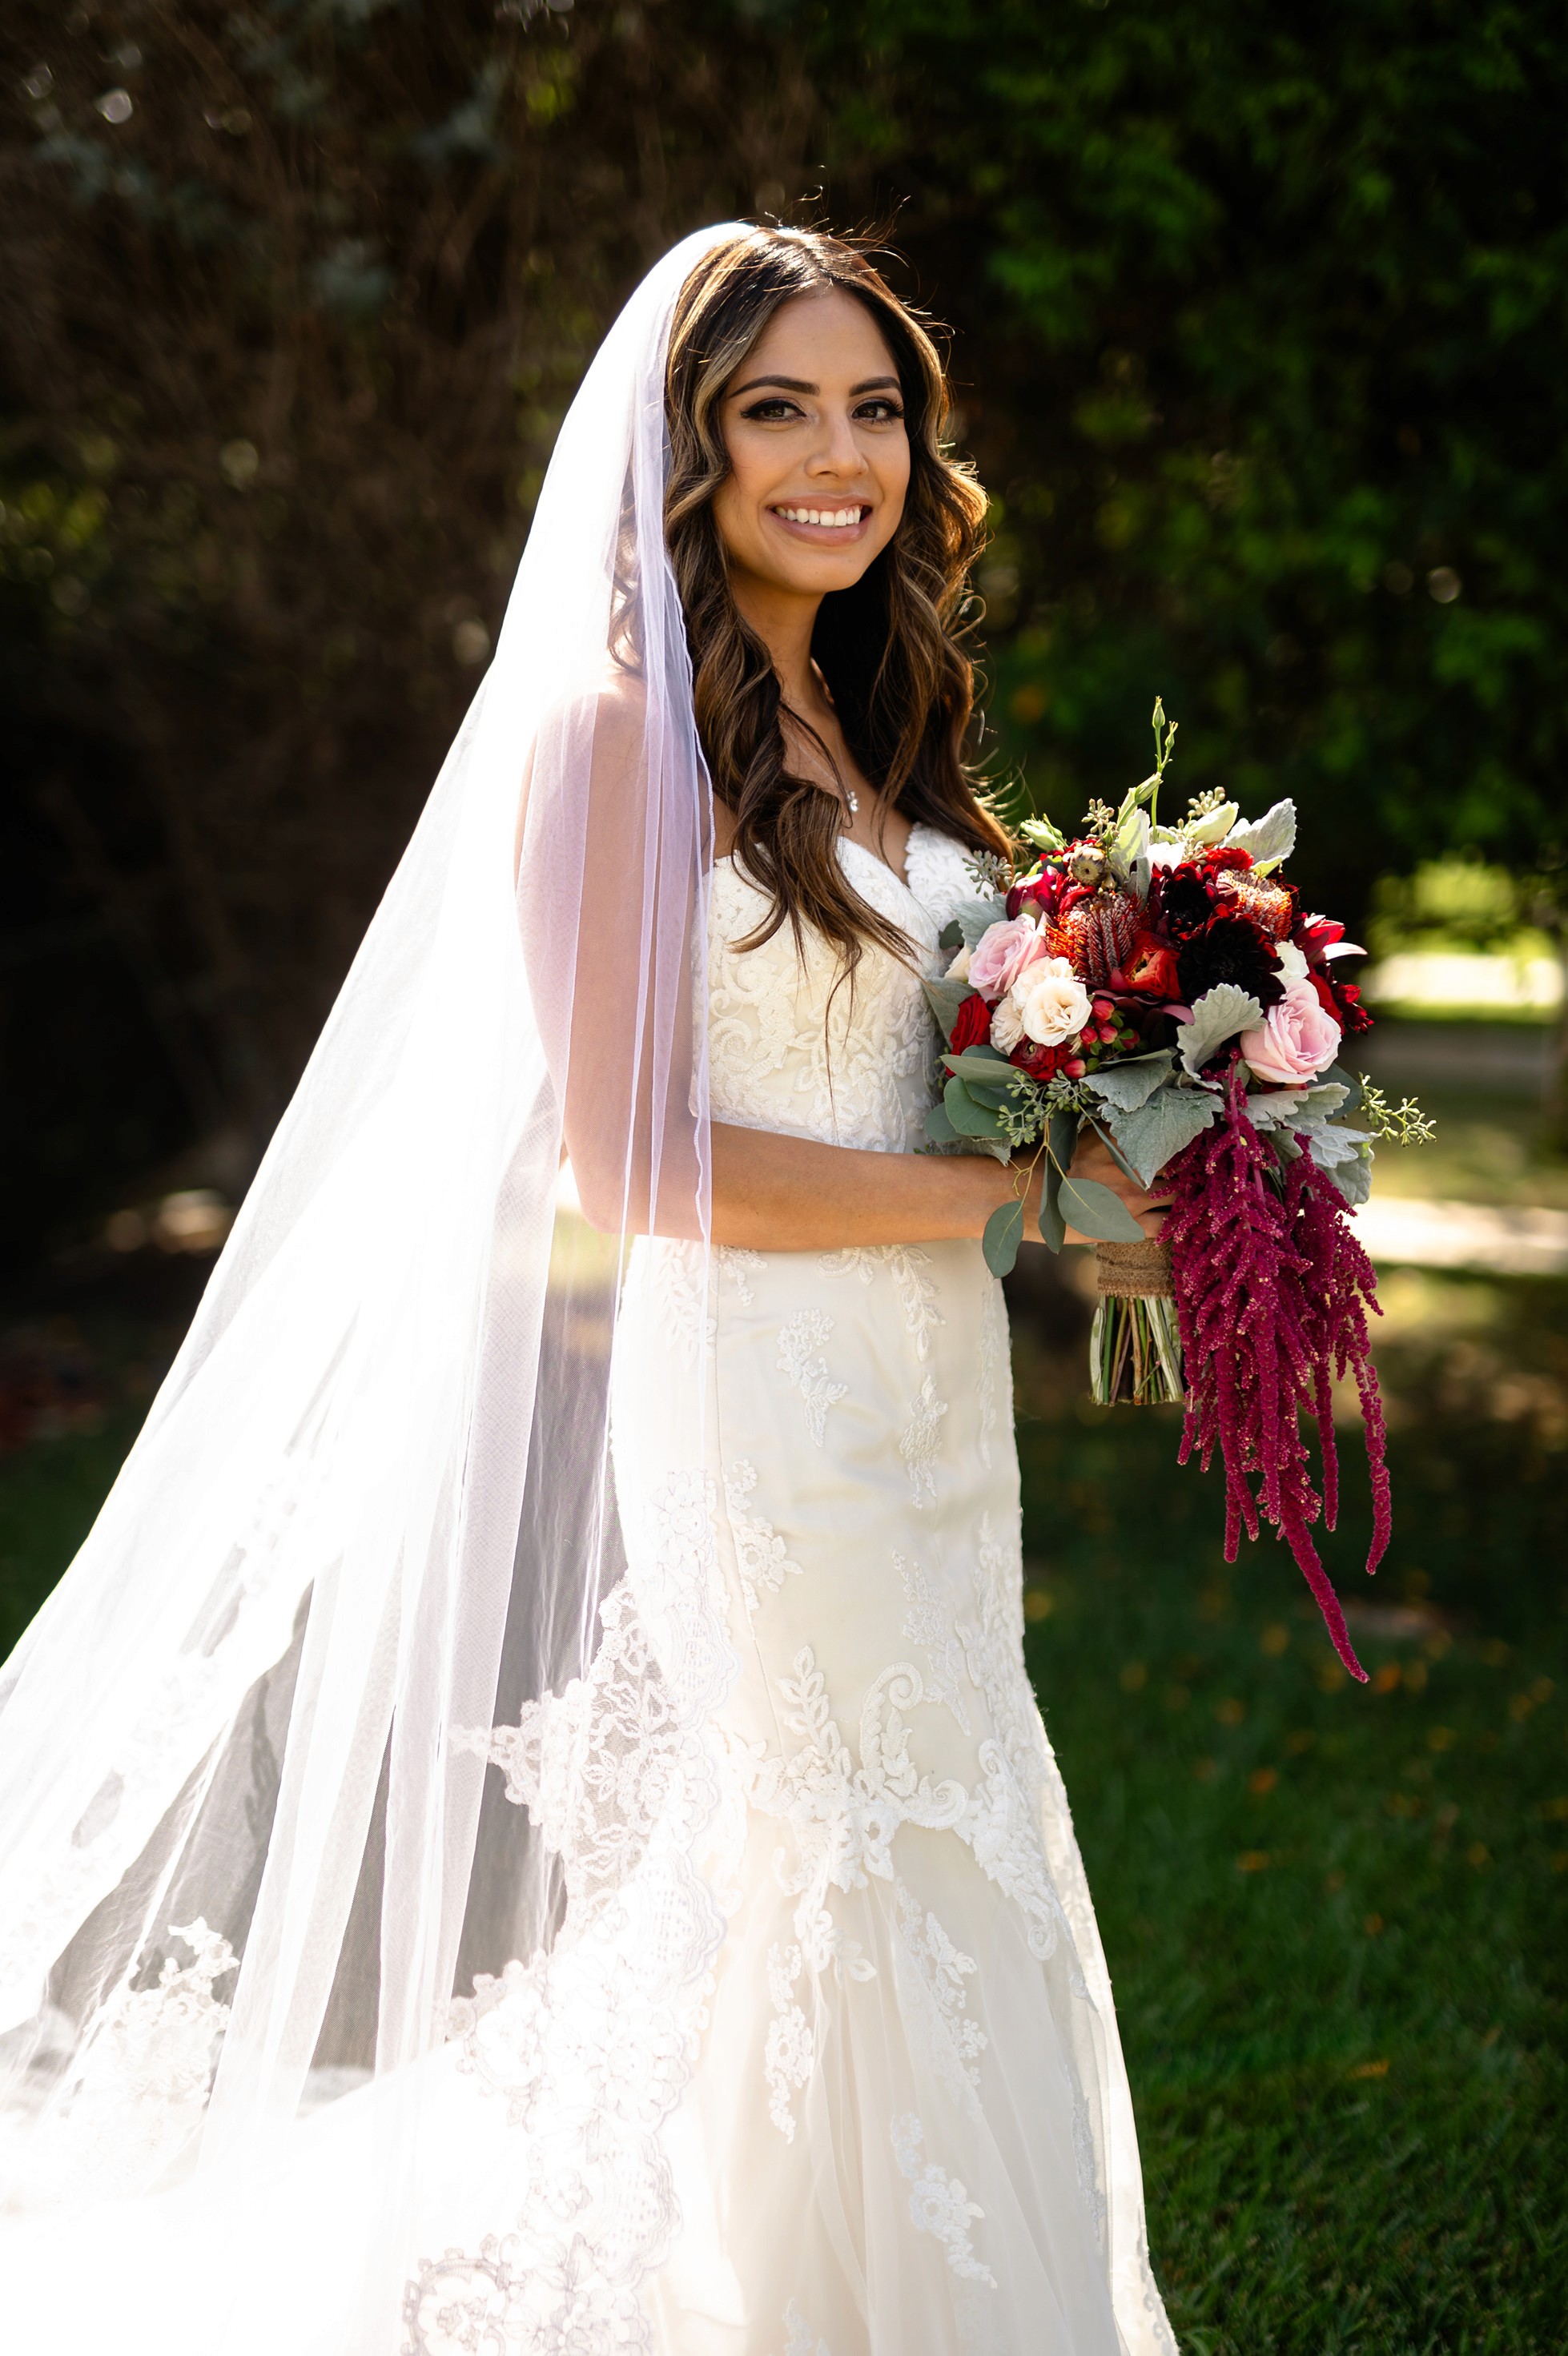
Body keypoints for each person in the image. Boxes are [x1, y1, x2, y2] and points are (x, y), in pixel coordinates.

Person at [0, 224, 1176, 2356]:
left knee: (943, 1812)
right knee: (833, 1842)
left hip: (918, 1395)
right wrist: (994, 1187)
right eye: (778, 410)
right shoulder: (611, 732)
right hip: (761, 1406)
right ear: (687, 448)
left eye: (877, 406)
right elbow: (635, 1166)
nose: (843, 457)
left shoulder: (876, 709)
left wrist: (1143, 1148)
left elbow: (943, 1063)